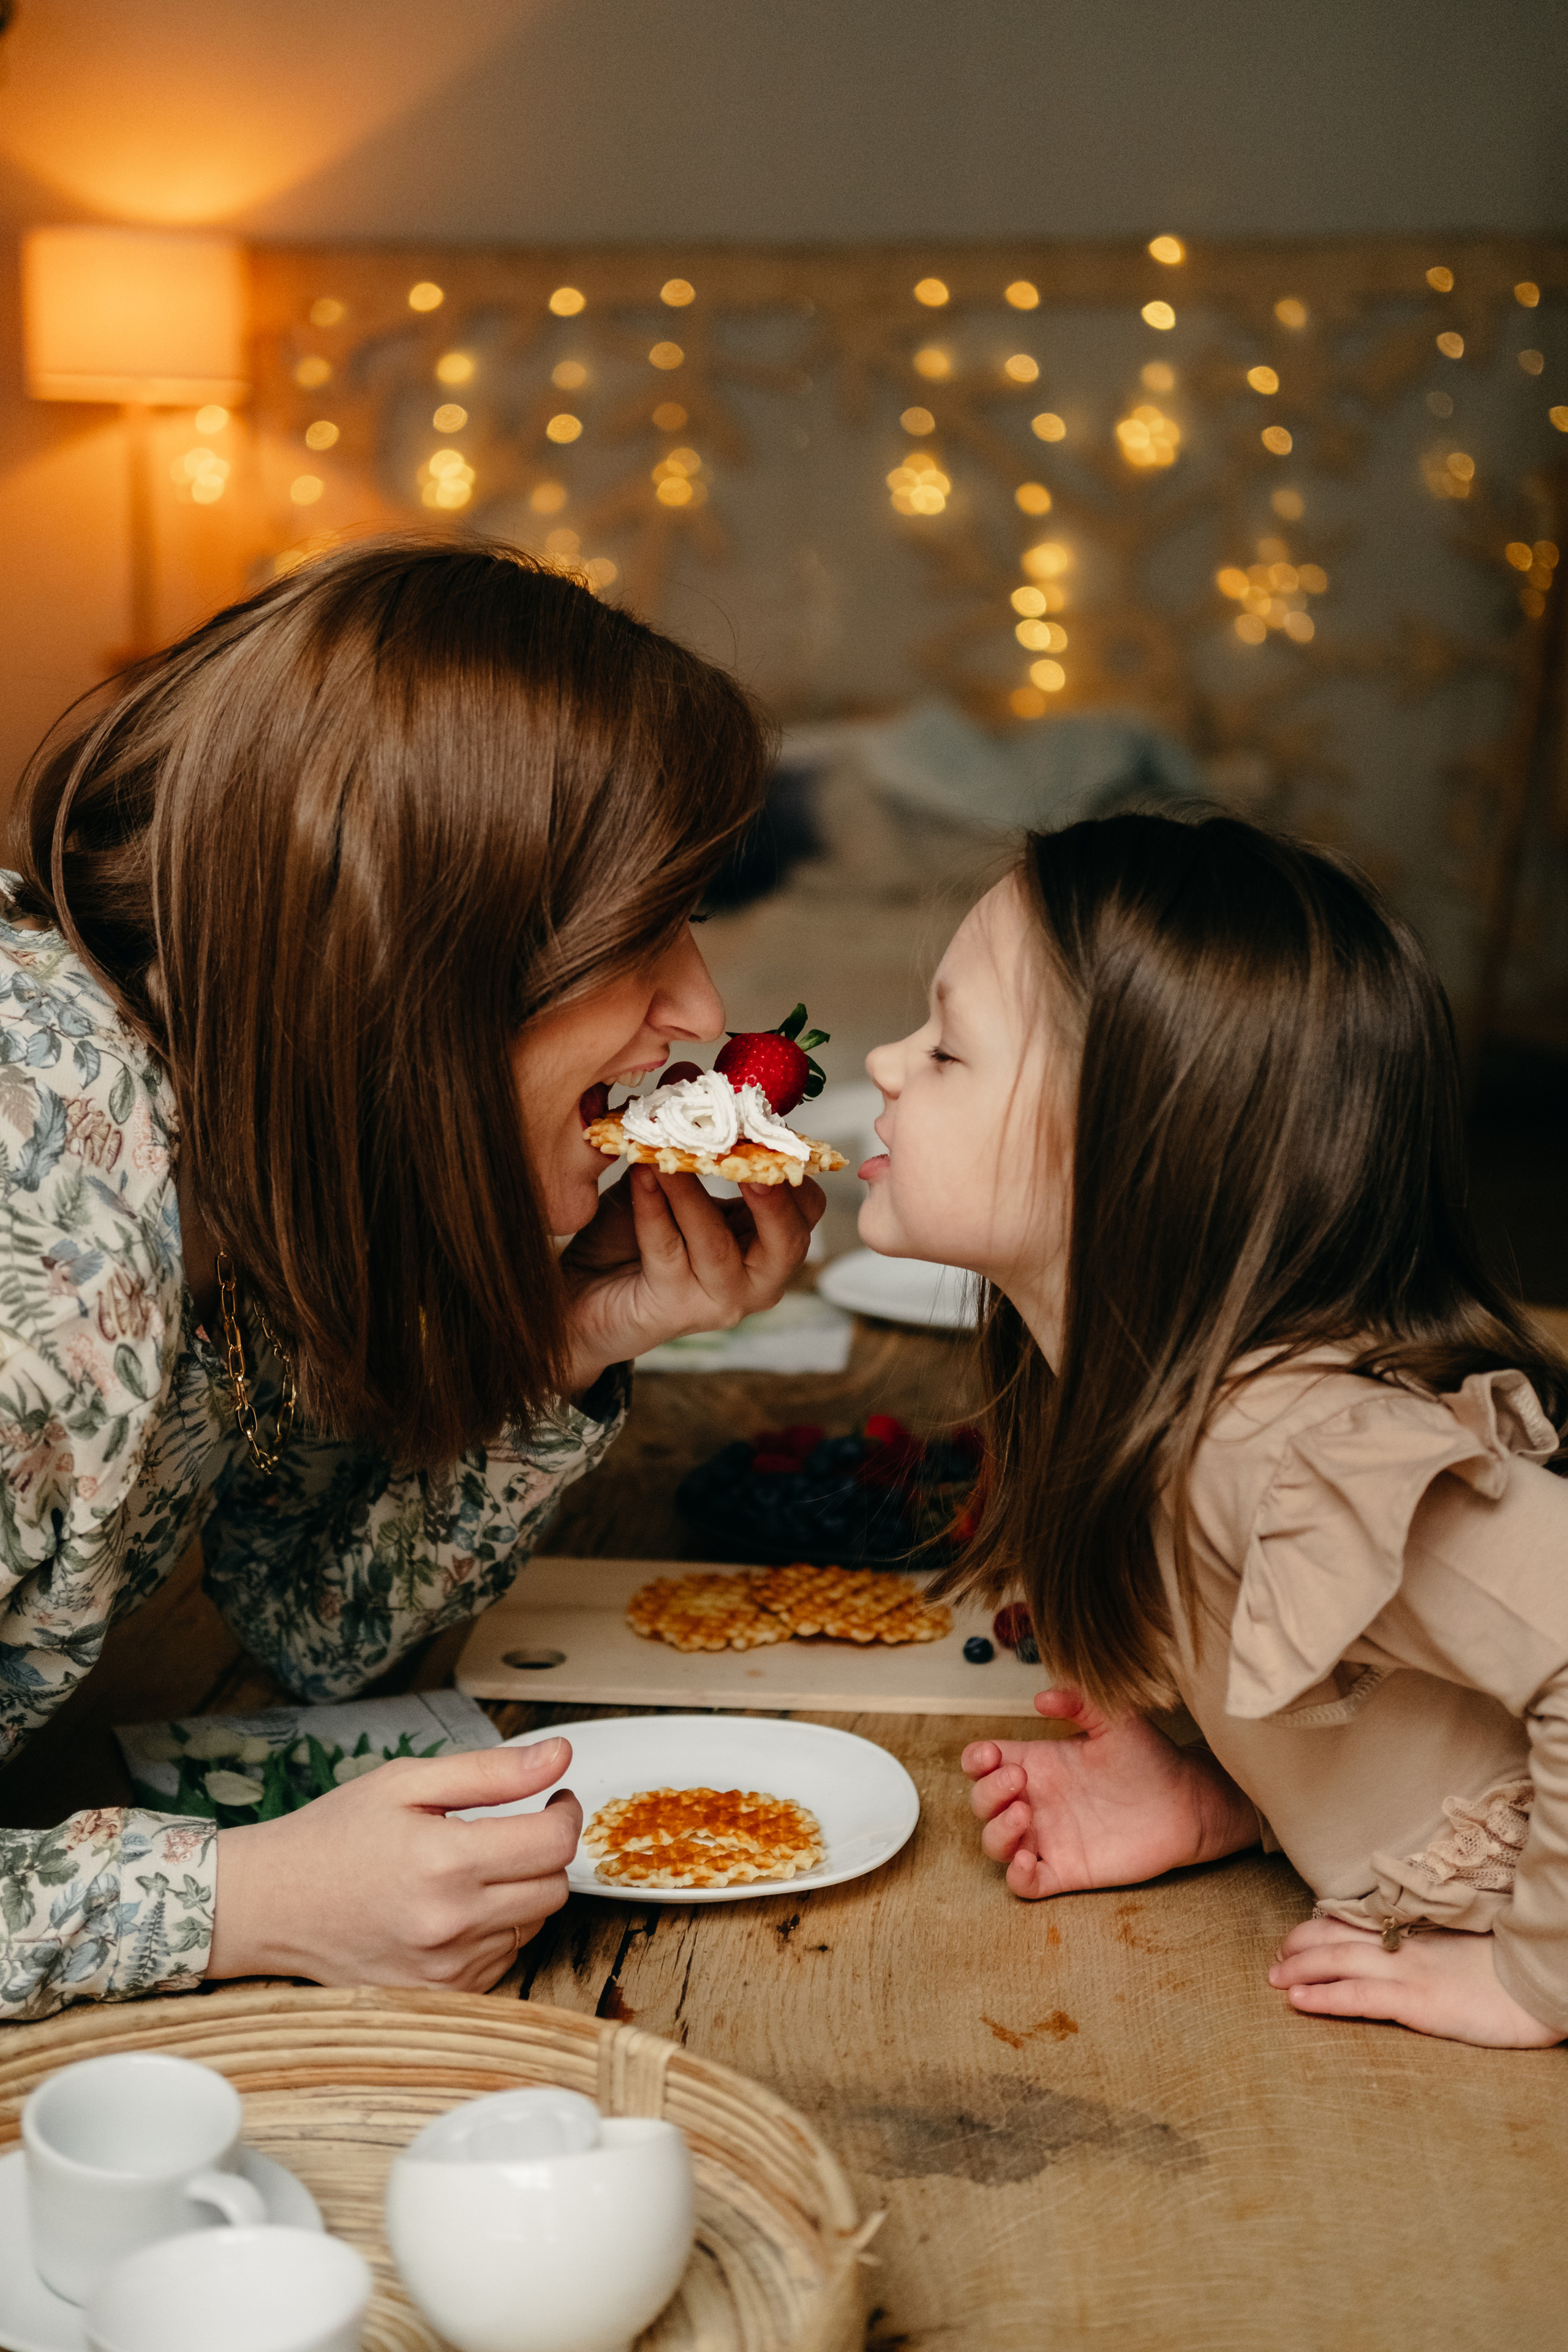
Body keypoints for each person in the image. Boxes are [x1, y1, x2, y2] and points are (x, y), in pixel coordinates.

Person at [0, 538, 823, 2022]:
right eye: (641, 929)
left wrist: (562, 1344)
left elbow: (311, 1624)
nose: (698, 1009)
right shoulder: (44, 1244)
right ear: (416, 944)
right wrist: (235, 1900)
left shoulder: (254, 1131)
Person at [858, 811, 1568, 2049]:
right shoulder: (1144, 1404)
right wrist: (1223, 1797)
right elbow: (1378, 1697)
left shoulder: (1274, 1448)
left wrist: (1534, 1981)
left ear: (1130, 1148)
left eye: (947, 1049)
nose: (879, 1061)